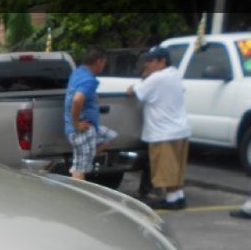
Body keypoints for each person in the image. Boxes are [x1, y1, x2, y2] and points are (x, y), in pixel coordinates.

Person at [127, 46, 191, 210]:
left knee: (166, 168)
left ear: (162, 62)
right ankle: (178, 197)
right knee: (176, 167)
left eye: (151, 61)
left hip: (163, 131)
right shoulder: (175, 75)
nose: (147, 64)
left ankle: (171, 200)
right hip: (180, 129)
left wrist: (142, 79)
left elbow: (134, 91)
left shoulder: (157, 78)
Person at [64, 46, 118, 181]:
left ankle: (87, 154)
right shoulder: (89, 80)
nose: (103, 66)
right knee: (80, 169)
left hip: (89, 128)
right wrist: (76, 123)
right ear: (99, 62)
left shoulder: (78, 72)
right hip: (82, 129)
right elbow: (77, 99)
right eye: (104, 63)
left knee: (110, 136)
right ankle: (76, 192)